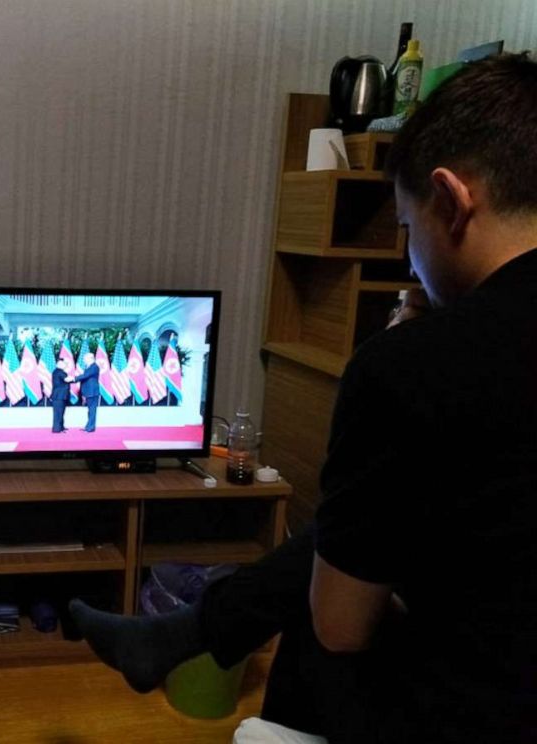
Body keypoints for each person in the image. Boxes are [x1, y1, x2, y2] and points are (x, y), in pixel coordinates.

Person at [70, 53, 537, 743]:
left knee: (325, 608)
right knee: (356, 536)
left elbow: (341, 628)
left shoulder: (412, 365)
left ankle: (184, 637)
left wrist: (408, 350)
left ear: (451, 200)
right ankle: (180, 635)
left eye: (408, 230)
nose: (409, 260)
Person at [69, 352, 100, 432]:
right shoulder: (89, 367)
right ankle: (88, 426)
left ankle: (90, 428)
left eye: (85, 359)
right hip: (89, 391)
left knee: (92, 410)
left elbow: (85, 376)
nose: (84, 360)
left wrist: (73, 379)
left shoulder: (94, 367)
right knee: (90, 410)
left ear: (90, 358)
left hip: (92, 392)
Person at [51, 359, 70, 433]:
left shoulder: (57, 371)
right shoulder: (59, 372)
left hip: (60, 395)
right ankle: (57, 429)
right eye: (64, 364)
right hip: (59, 395)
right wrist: (75, 379)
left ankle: (61, 427)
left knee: (61, 412)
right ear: (59, 364)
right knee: (58, 413)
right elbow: (67, 380)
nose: (65, 365)